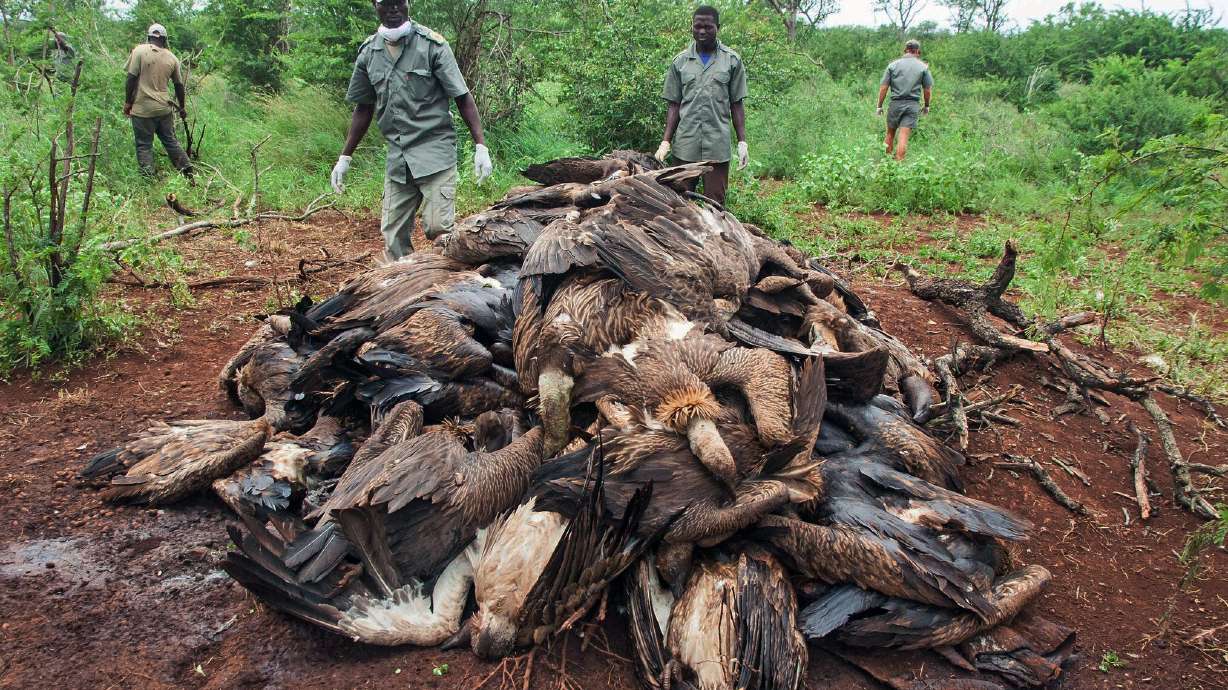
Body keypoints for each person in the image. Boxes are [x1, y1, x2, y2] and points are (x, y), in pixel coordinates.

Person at [331, 0, 492, 261]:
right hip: (398, 157)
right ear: (375, 5)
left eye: (399, 2)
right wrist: (345, 157)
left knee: (439, 231)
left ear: (409, 3)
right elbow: (364, 107)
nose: (393, 8)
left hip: (435, 152)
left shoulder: (432, 46)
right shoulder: (369, 53)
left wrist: (480, 146)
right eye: (386, 3)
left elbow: (462, 96)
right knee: (393, 238)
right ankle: (403, 292)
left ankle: (448, 293)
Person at [655, 4, 748, 206]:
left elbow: (736, 103)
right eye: (697, 26)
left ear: (718, 27)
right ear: (692, 27)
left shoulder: (732, 61)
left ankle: (713, 239)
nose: (702, 31)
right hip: (685, 146)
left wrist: (742, 142)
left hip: (717, 148)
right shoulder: (680, 62)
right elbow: (674, 104)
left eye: (708, 26)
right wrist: (666, 141)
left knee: (715, 205)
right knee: (679, 203)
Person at [123, 23, 192, 178]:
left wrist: (128, 103)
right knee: (170, 141)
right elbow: (179, 85)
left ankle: (148, 178)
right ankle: (187, 171)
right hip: (164, 108)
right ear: (165, 39)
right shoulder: (172, 58)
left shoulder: (139, 51)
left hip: (143, 109)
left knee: (143, 145)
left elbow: (131, 79)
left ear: (149, 37)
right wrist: (182, 107)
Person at [876, 39, 933, 162]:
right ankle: (899, 165)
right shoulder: (923, 67)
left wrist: (879, 106)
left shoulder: (892, 65)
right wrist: (927, 105)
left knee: (890, 134)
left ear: (905, 50)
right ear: (918, 51)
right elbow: (927, 90)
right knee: (903, 137)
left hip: (895, 104)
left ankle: (886, 163)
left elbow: (884, 87)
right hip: (912, 105)